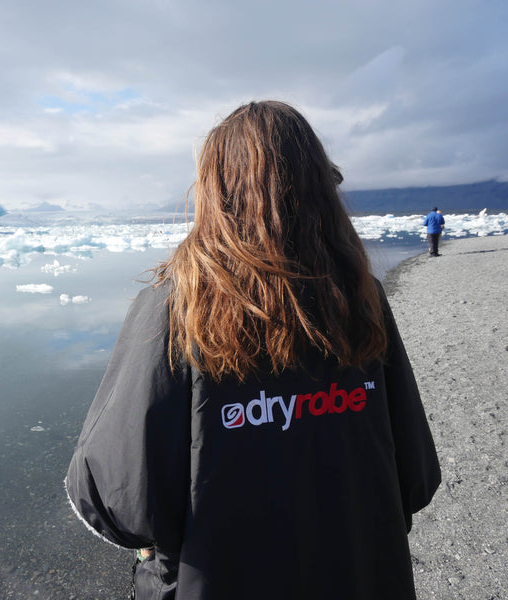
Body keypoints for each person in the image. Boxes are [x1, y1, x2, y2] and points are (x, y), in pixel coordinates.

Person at [65, 101, 441, 599]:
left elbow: (118, 499)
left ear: (216, 193)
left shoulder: (176, 309)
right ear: (320, 189)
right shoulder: (359, 298)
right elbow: (414, 479)